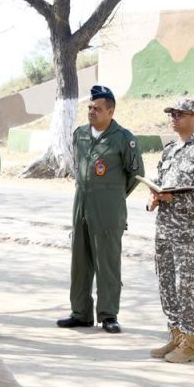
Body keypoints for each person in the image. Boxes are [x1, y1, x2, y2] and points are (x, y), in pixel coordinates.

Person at [57, 85, 144, 334]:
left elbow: (136, 174)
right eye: (90, 107)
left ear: (110, 111)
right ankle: (80, 312)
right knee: (79, 261)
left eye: (97, 108)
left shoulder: (123, 138)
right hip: (81, 204)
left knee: (107, 262)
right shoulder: (80, 135)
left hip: (108, 209)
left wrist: (113, 196)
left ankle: (108, 314)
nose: (91, 112)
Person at [147, 98, 194, 363]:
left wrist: (174, 199)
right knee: (166, 282)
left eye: (181, 114)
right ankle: (176, 335)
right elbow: (159, 182)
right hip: (165, 228)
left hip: (189, 232)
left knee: (187, 286)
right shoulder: (169, 150)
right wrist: (155, 196)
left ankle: (190, 344)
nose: (175, 118)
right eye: (173, 114)